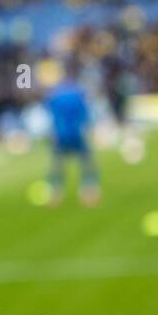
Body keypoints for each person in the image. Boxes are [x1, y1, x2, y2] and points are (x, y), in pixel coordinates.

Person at [45, 58, 99, 206]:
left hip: (61, 133)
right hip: (77, 132)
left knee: (58, 164)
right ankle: (90, 193)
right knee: (86, 162)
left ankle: (54, 194)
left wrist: (52, 133)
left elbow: (51, 115)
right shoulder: (80, 92)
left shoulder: (54, 93)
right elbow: (85, 115)